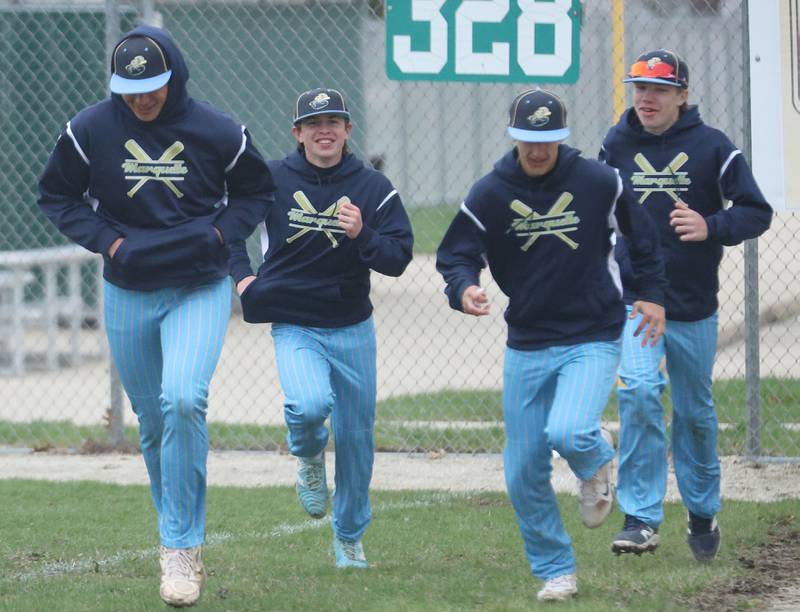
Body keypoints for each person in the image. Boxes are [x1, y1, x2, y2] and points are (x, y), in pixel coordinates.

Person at [37, 26, 274, 607]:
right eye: (131, 90)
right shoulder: (89, 129)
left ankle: (181, 548)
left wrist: (220, 233)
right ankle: (175, 528)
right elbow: (57, 197)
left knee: (184, 399)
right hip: (128, 289)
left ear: (175, 76)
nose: (143, 100)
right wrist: (110, 244)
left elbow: (256, 192)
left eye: (154, 88)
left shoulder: (218, 130)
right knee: (152, 422)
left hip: (198, 285)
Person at [436, 88, 666, 602]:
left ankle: (593, 456)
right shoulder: (489, 193)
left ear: (561, 136)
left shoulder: (599, 181)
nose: (537, 150)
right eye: (527, 140)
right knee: (521, 471)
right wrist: (464, 286)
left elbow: (642, 237)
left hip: (593, 331)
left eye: (547, 140)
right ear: (513, 134)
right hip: (528, 340)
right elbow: (456, 253)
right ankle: (556, 568)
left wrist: (650, 294)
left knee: (569, 428)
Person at [229, 88, 413, 569]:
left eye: (334, 121)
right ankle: (309, 456)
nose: (324, 130)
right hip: (294, 323)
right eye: (314, 123)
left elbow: (398, 258)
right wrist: (244, 278)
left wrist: (363, 234)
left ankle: (349, 536)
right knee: (308, 406)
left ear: (349, 131)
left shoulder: (373, 187)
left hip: (351, 326)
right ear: (297, 133)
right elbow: (228, 226)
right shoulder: (270, 178)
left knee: (355, 439)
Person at [600, 49, 772, 561]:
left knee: (694, 413)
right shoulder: (617, 142)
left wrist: (710, 226)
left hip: (693, 304)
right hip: (635, 299)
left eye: (657, 89)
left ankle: (702, 509)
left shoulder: (712, 147)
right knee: (638, 393)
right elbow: (599, 206)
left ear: (681, 94)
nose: (646, 98)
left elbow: (756, 212)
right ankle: (640, 518)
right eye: (639, 88)